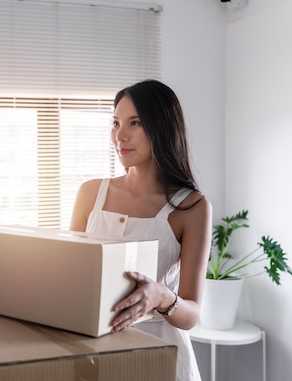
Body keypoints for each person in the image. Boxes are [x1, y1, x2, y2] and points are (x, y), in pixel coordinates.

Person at [70, 79, 211, 381]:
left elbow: (191, 315)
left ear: (162, 128)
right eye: (116, 122)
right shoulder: (90, 193)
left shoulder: (192, 207)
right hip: (96, 356)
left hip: (161, 358)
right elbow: (70, 281)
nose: (120, 135)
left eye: (134, 123)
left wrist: (162, 296)